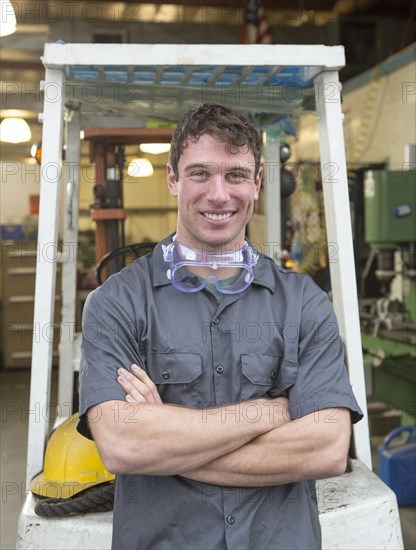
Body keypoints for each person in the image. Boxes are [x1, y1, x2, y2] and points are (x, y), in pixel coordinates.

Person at [78, 103, 363, 550]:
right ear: (172, 179)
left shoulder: (305, 302)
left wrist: (167, 443)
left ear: (257, 183)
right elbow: (123, 447)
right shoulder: (116, 303)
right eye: (200, 173)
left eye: (235, 175)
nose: (218, 194)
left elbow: (325, 449)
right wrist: (276, 411)